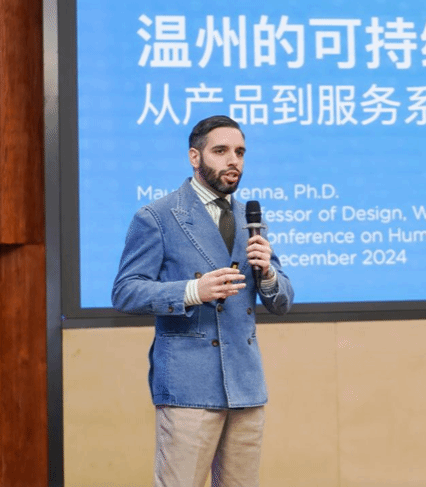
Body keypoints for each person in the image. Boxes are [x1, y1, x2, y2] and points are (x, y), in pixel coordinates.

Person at [112, 115, 294, 487]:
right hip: (188, 386)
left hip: (245, 385)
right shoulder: (157, 217)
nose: (233, 160)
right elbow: (126, 291)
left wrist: (269, 274)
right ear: (195, 157)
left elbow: (282, 301)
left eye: (240, 152)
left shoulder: (250, 220)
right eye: (221, 151)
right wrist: (192, 291)